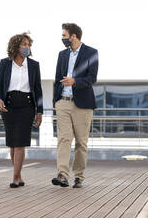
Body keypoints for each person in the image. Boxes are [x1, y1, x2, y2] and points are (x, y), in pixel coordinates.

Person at [52, 23, 99, 188]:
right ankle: (62, 175)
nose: (62, 38)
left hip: (83, 105)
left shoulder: (91, 53)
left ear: (73, 36)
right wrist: (55, 102)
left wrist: (75, 81)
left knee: (81, 142)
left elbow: (92, 78)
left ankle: (78, 176)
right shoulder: (62, 55)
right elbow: (57, 78)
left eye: (64, 35)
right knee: (63, 139)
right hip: (63, 102)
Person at [0, 33, 43, 188]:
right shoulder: (5, 64)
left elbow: (38, 89)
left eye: (28, 45)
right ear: (15, 46)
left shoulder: (34, 65)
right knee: (12, 143)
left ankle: (15, 177)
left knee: (21, 142)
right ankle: (19, 175)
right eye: (24, 44)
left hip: (27, 106)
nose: (26, 47)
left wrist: (39, 111)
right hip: (8, 105)